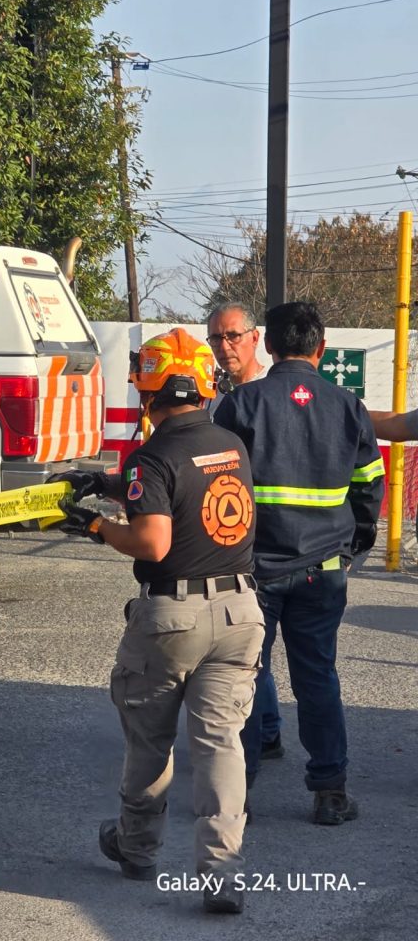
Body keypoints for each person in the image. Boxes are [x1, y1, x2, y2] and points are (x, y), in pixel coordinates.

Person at [52, 328, 264, 915]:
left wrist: (97, 525)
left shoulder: (151, 456)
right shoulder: (230, 443)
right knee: (221, 744)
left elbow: (153, 539)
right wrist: (110, 484)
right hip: (240, 611)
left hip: (173, 618)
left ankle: (138, 848)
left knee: (150, 740)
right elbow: (183, 490)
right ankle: (222, 873)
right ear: (202, 386)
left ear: (150, 392)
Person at [213, 302, 385, 826]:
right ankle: (330, 792)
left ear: (267, 346)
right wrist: (352, 549)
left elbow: (217, 489)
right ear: (322, 349)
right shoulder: (349, 407)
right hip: (324, 570)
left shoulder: (240, 404)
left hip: (252, 571)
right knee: (318, 677)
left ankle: (236, 797)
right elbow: (369, 488)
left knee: (244, 678)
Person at [206, 302, 283, 759]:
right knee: (250, 647)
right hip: (231, 539)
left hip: (270, 545)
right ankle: (267, 729)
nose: (225, 345)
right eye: (216, 338)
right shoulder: (217, 398)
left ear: (256, 339)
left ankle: (255, 743)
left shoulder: (269, 395)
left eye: (233, 335)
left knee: (250, 649)